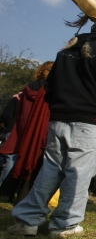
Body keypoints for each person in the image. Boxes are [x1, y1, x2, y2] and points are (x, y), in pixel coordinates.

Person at [7, 21, 96, 237]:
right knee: (78, 175)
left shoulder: (65, 54)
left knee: (50, 171)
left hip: (58, 120)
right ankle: (64, 224)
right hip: (89, 123)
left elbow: (49, 88)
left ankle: (27, 220)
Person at [0, 62, 53, 203]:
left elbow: (21, 112)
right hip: (41, 130)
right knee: (33, 164)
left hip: (25, 129)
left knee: (21, 161)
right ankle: (23, 197)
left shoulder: (28, 88)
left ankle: (5, 193)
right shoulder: (49, 89)